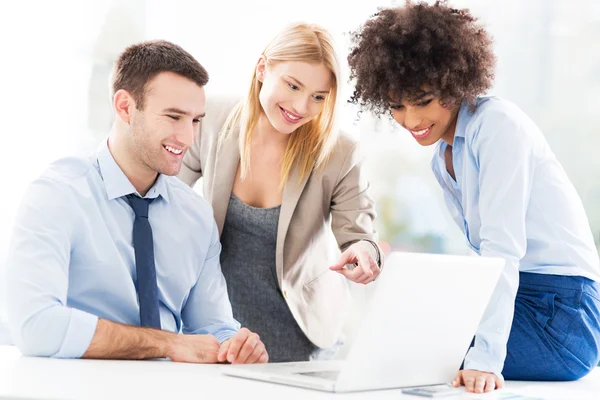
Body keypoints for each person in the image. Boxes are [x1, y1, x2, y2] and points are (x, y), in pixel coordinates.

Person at [346, 0, 600, 393]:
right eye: (397, 105)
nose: (411, 120)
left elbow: (500, 250)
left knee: (408, 351)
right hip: (528, 302)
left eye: (424, 100)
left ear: (454, 81)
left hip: (562, 315)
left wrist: (484, 360)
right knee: (393, 337)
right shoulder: (444, 157)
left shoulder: (496, 126)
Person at [5, 40, 267, 365]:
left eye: (196, 120)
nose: (188, 138)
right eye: (174, 117)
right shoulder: (57, 196)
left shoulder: (195, 216)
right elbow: (35, 326)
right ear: (125, 107)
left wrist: (237, 348)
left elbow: (213, 328)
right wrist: (168, 344)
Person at [178, 23, 383, 362]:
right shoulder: (211, 118)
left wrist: (364, 253)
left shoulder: (339, 152)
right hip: (222, 331)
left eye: (318, 97)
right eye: (293, 85)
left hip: (302, 335)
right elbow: (167, 192)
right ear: (262, 69)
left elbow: (359, 235)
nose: (301, 107)